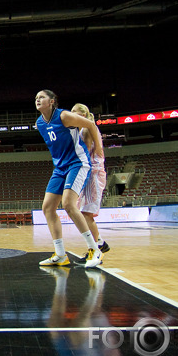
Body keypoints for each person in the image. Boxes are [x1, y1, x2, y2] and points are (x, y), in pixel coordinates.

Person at [34, 90, 102, 268]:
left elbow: (91, 125)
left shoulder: (64, 116)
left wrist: (99, 148)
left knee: (69, 204)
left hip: (77, 163)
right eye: (36, 98)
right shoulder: (40, 123)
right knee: (48, 208)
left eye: (42, 97)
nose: (38, 99)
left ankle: (94, 250)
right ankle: (60, 254)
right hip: (60, 167)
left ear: (52, 101)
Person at [70, 103, 110, 263]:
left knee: (86, 214)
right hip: (90, 172)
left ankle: (95, 250)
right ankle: (99, 243)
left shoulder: (86, 129)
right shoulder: (84, 129)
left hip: (92, 173)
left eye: (74, 111)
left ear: (83, 115)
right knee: (84, 212)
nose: (71, 113)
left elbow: (84, 153)